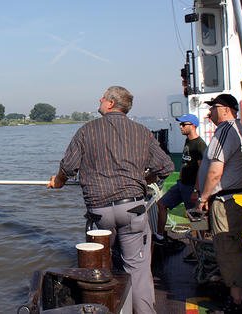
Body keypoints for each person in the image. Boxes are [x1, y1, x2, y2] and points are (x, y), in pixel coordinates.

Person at [48, 86, 174, 314]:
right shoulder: (142, 131)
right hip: (132, 209)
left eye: (103, 97)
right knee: (138, 270)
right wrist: (145, 178)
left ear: (110, 104)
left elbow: (68, 167)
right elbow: (166, 167)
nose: (99, 99)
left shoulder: (87, 131)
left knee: (105, 265)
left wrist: (57, 182)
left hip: (100, 212)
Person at [194, 94, 242, 313]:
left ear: (226, 109)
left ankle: (236, 300)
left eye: (213, 108)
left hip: (226, 201)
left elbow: (216, 172)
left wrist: (203, 198)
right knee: (233, 247)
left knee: (227, 248)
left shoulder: (226, 130)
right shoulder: (236, 130)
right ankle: (234, 292)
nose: (209, 113)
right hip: (233, 198)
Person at [154, 114, 206, 248]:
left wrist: (196, 190)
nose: (180, 127)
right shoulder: (188, 141)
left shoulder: (199, 145)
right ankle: (160, 236)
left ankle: (199, 248)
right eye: (180, 124)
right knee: (161, 204)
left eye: (183, 124)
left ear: (193, 125)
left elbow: (202, 170)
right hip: (181, 184)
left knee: (195, 218)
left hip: (191, 187)